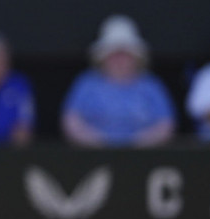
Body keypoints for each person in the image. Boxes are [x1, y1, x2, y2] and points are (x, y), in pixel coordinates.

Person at [62, 15, 175, 147]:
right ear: (102, 57)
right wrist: (101, 143)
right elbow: (71, 121)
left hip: (143, 157)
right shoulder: (86, 83)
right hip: (94, 156)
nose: (120, 60)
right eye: (114, 55)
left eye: (125, 55)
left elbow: (166, 125)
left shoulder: (151, 85)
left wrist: (135, 144)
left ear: (136, 58)